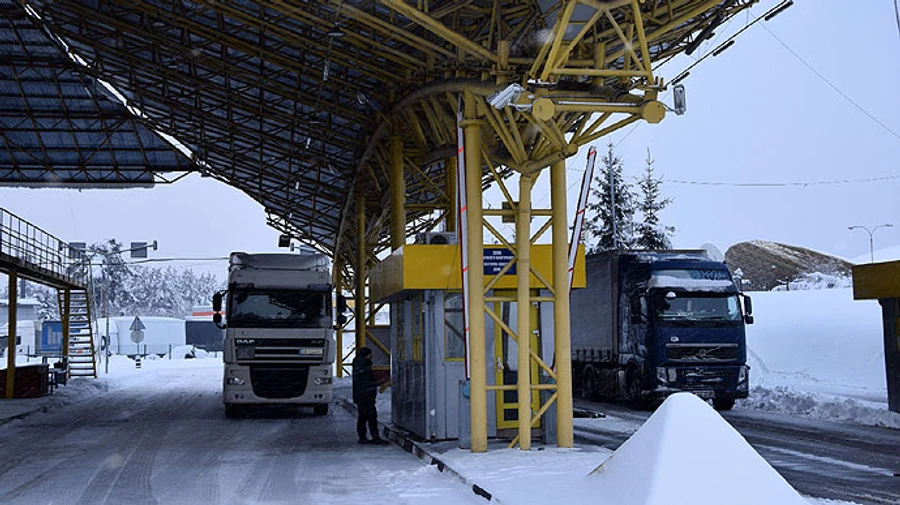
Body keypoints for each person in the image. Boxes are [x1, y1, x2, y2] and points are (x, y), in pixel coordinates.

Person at [352, 346, 388, 445]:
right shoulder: (364, 366)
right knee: (371, 416)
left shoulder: (359, 365)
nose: (372, 356)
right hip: (366, 395)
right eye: (370, 354)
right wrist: (378, 381)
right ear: (367, 355)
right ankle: (374, 436)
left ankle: (363, 436)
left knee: (363, 416)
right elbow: (367, 381)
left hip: (361, 395)